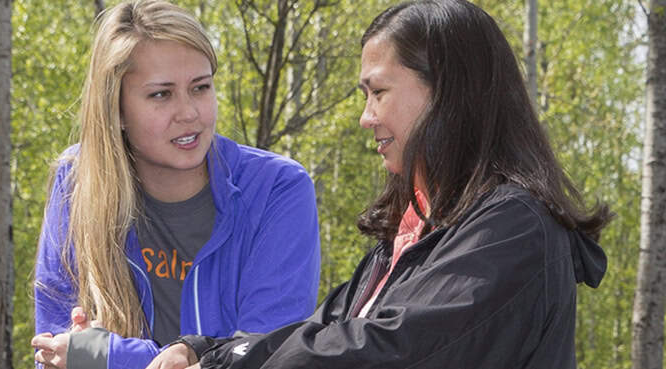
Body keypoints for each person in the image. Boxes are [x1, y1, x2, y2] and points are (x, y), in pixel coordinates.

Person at [144, 1, 612, 368]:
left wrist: (224, 363)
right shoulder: (416, 230)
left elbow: (389, 348)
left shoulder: (514, 229)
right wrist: (203, 349)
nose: (366, 117)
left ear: (447, 93)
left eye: (379, 92)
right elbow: (324, 328)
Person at [30, 1, 322, 368]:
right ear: (116, 108)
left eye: (200, 87)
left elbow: (267, 357)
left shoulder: (278, 190)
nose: (189, 113)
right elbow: (54, 352)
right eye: (161, 94)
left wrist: (109, 356)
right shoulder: (77, 180)